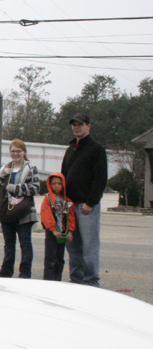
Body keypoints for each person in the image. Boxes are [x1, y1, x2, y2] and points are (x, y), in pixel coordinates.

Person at [61, 112, 107, 287]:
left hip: (87, 207)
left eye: (80, 124)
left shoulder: (96, 149)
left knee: (89, 246)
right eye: (74, 124)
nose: (76, 127)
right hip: (70, 206)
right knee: (72, 246)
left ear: (88, 126)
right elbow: (63, 176)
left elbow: (100, 178)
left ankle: (91, 281)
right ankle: (77, 280)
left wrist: (91, 202)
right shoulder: (71, 149)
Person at [0, 139, 40, 278]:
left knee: (25, 243)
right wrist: (2, 174)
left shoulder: (31, 168)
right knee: (9, 243)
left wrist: (15, 188)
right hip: (7, 210)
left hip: (24, 211)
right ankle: (6, 270)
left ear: (24, 152)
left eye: (18, 151)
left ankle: (25, 272)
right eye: (13, 151)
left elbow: (35, 188)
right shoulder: (5, 168)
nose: (16, 154)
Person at [40, 173, 76, 281]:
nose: (56, 186)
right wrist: (53, 229)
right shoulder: (48, 199)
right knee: (51, 258)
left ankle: (57, 279)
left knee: (60, 258)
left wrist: (70, 231)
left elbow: (71, 216)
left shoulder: (67, 201)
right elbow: (46, 215)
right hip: (52, 233)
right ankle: (49, 280)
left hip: (63, 232)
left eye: (59, 184)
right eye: (54, 183)